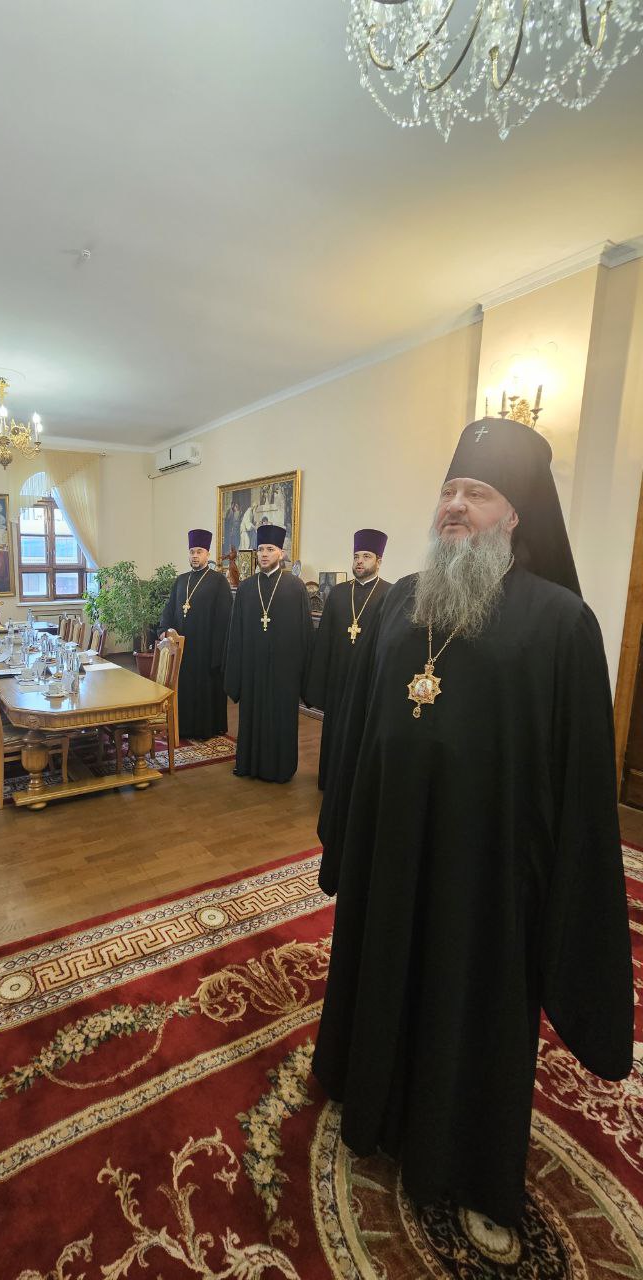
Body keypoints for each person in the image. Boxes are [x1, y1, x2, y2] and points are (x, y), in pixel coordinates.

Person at [312, 417, 633, 1227]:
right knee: (383, 963)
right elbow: (357, 726)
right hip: (390, 848)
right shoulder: (402, 602)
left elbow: (579, 787)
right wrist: (345, 825)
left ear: (516, 513)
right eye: (449, 490)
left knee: (461, 995)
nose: (455, 505)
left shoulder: (561, 624)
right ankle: (368, 1094)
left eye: (477, 493)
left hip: (482, 869)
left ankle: (451, 1150)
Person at [224, 523, 314, 782]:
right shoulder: (246, 587)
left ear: (281, 553)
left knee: (280, 719)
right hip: (253, 668)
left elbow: (305, 635)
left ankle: (280, 769)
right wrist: (236, 670)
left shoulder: (296, 587)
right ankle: (248, 764)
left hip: (284, 672)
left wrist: (302, 673)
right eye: (261, 549)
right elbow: (236, 632)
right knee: (251, 717)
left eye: (270, 549)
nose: (264, 554)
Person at [305, 529, 392, 790]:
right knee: (335, 729)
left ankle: (357, 785)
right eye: (356, 556)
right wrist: (319, 681)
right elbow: (325, 639)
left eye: (366, 556)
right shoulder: (339, 593)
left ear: (379, 560)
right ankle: (330, 779)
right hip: (338, 677)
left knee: (361, 731)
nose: (359, 561)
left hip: (368, 679)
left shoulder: (390, 594)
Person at [159, 529, 233, 740]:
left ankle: (205, 729)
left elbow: (224, 619)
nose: (195, 556)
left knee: (204, 690)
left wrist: (217, 654)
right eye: (192, 551)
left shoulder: (218, 582)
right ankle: (183, 727)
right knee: (185, 689)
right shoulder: (181, 580)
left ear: (207, 554)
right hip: (182, 650)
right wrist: (164, 630)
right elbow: (169, 609)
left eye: (199, 551)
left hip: (206, 650)